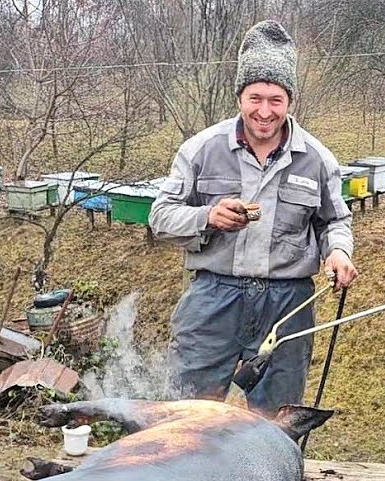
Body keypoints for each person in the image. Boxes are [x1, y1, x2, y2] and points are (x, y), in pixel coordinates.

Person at [150, 20, 357, 414]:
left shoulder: (318, 159)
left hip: (287, 305)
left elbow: (335, 221)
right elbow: (160, 218)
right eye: (255, 97)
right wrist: (208, 217)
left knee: (275, 421)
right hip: (213, 298)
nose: (264, 111)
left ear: (290, 101)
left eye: (276, 100)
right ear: (239, 96)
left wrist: (339, 253)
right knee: (187, 415)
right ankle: (191, 477)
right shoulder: (201, 150)